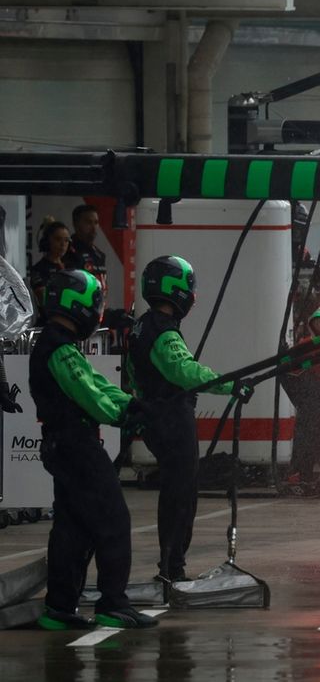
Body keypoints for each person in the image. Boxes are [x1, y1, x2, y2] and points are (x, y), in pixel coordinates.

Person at [30, 270, 157, 630]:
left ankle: (60, 608)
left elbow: (97, 383)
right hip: (75, 445)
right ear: (80, 304)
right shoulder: (58, 348)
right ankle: (113, 603)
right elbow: (88, 394)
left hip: (65, 445)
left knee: (74, 527)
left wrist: (131, 403)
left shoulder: (60, 344)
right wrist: (124, 414)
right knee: (113, 519)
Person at [125, 256, 236, 584]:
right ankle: (173, 567)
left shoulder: (143, 324)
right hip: (171, 418)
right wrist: (229, 384)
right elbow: (185, 371)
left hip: (155, 416)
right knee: (182, 494)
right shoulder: (163, 330)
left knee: (177, 490)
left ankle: (171, 564)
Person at [29, 219, 71, 324]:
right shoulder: (38, 269)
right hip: (49, 324)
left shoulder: (71, 267)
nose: (63, 244)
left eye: (66, 240)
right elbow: (44, 299)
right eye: (58, 239)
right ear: (47, 241)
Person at [64, 204, 108, 291]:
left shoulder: (99, 254)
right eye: (88, 222)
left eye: (96, 222)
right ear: (76, 224)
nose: (93, 227)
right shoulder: (66, 250)